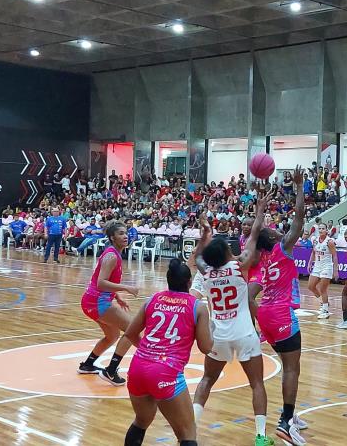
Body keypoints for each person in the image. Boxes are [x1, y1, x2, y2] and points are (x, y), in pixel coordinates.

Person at [191, 203, 276, 446]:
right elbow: (255, 233)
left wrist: (204, 233)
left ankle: (191, 430)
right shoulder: (240, 266)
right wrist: (260, 210)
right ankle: (260, 436)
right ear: (227, 253)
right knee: (256, 384)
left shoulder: (205, 273)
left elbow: (198, 257)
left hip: (218, 335)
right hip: (245, 333)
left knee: (207, 380)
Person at [248, 165, 309, 446]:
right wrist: (298, 187)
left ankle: (292, 415)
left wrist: (254, 322)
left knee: (288, 365)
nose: (276, 230)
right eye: (273, 230)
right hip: (283, 314)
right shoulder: (281, 249)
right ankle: (285, 422)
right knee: (292, 368)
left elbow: (249, 294)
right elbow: (299, 218)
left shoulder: (260, 263)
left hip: (266, 318)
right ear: (272, 240)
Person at [122, 259, 212, 446]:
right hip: (166, 371)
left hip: (138, 367)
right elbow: (206, 347)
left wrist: (149, 353)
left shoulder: (152, 299)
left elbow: (130, 333)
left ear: (168, 280)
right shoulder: (197, 306)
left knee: (141, 421)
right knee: (187, 433)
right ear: (189, 283)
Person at [77, 220, 140, 385]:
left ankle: (88, 364)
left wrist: (117, 296)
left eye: (126, 233)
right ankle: (111, 371)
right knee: (132, 330)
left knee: (112, 336)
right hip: (97, 302)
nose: (125, 236)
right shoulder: (112, 255)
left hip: (93, 301)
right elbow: (100, 283)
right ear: (112, 238)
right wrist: (125, 288)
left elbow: (102, 282)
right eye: (121, 233)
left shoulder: (114, 253)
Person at [307, 223, 337, 319]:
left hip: (327, 266)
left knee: (322, 289)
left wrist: (335, 270)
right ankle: (324, 302)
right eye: (319, 228)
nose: (321, 230)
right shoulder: (315, 240)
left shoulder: (330, 242)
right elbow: (313, 252)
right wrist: (309, 263)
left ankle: (325, 310)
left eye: (323, 228)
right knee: (310, 286)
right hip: (317, 265)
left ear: (326, 230)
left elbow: (335, 256)